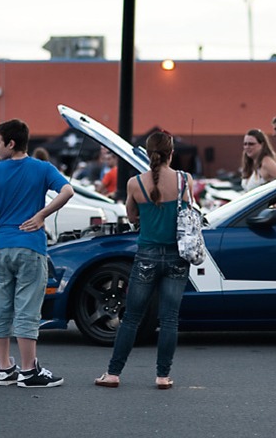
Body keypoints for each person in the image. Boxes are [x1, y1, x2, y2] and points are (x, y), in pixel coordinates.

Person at [0, 118, 74, 388]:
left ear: (11, 143)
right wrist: (42, 215)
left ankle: (5, 368)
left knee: (0, 307)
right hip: (30, 246)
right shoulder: (43, 168)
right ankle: (29, 371)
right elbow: (67, 191)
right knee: (28, 309)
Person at [95, 132, 190, 390]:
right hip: (177, 256)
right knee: (169, 318)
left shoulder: (134, 183)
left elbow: (131, 215)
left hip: (147, 254)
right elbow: (191, 212)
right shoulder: (184, 180)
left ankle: (113, 373)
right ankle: (162, 376)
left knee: (132, 317)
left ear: (148, 154)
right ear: (171, 153)